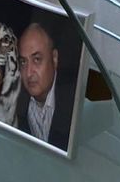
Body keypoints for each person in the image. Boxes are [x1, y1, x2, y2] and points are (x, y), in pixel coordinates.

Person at [17, 22, 75, 151]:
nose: (28, 73)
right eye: (23, 62)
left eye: (37, 59)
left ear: (54, 58)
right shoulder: (15, 100)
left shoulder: (74, 101)